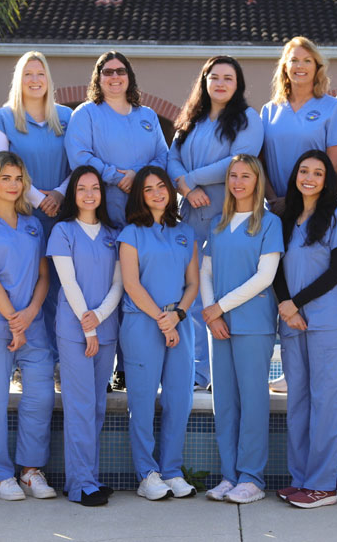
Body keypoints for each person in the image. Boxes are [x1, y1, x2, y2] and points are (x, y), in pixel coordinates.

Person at [66, 51, 168, 391]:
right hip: (103, 217)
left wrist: (137, 178)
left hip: (142, 219)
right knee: (106, 289)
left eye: (120, 71)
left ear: (129, 76)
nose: (114, 77)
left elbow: (162, 157)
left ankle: (129, 368)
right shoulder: (86, 115)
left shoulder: (148, 116)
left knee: (138, 289)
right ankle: (103, 366)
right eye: (107, 71)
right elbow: (79, 156)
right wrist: (113, 175)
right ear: (98, 77)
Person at [167, 55, 263, 391]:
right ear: (204, 81)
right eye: (214, 77)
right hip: (190, 216)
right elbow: (171, 157)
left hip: (227, 216)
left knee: (223, 293)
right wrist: (185, 187)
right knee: (191, 294)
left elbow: (238, 163)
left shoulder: (248, 119)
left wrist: (190, 180)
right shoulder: (192, 118)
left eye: (228, 78)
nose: (220, 83)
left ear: (238, 85)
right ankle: (196, 373)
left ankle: (226, 374)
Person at [0, 152, 56, 501]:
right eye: (6, 178)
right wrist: (13, 321)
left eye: (18, 178)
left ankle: (31, 471)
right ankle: (0, 475)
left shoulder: (33, 223)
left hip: (31, 324)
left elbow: (44, 275)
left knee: (41, 396)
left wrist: (30, 313)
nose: (14, 185)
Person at [272, 150, 337, 509]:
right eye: (303, 171)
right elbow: (274, 268)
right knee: (299, 403)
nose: (309, 178)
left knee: (325, 403)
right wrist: (286, 306)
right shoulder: (285, 218)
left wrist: (296, 302)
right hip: (292, 323)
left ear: (327, 180)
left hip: (325, 323)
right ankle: (301, 479)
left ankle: (323, 484)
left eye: (318, 173)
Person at [200, 155, 282, 505]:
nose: (237, 182)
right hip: (219, 325)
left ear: (257, 180)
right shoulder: (219, 225)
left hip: (253, 324)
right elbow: (205, 272)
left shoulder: (269, 224)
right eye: (233, 175)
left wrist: (220, 307)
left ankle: (251, 477)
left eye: (245, 176)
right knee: (225, 403)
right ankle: (230, 475)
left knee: (252, 401)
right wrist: (211, 315)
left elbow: (265, 277)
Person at [118, 166, 199, 501]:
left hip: (179, 322)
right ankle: (147, 473)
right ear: (140, 194)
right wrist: (161, 318)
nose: (156, 193)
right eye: (148, 188)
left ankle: (172, 470)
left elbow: (193, 282)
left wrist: (176, 314)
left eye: (161, 186)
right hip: (142, 322)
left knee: (179, 399)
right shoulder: (131, 234)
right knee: (142, 400)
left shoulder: (186, 232)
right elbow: (131, 284)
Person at [0, 51, 72, 364]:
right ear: (18, 80)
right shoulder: (2, 119)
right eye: (28, 74)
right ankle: (30, 361)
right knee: (31, 287)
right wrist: (39, 199)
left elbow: (80, 163)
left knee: (62, 290)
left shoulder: (68, 118)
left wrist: (61, 195)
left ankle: (65, 360)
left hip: (64, 217)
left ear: (49, 79)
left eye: (40, 74)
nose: (35, 80)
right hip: (21, 218)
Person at [47, 166, 123, 506]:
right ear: (73, 194)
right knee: (79, 407)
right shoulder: (63, 232)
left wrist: (101, 319)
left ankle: (84, 478)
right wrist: (88, 325)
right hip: (75, 331)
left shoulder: (113, 233)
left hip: (106, 329)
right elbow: (69, 282)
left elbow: (119, 284)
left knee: (96, 407)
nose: (89, 194)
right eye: (82, 188)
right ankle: (81, 485)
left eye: (95, 188)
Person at [260, 37, 337, 215]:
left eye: (307, 61)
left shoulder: (334, 108)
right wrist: (273, 200)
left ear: (317, 67)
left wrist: (292, 200)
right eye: (294, 60)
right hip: (276, 210)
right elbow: (261, 163)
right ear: (285, 67)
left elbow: (333, 166)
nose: (300, 66)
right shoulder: (269, 110)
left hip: (315, 209)